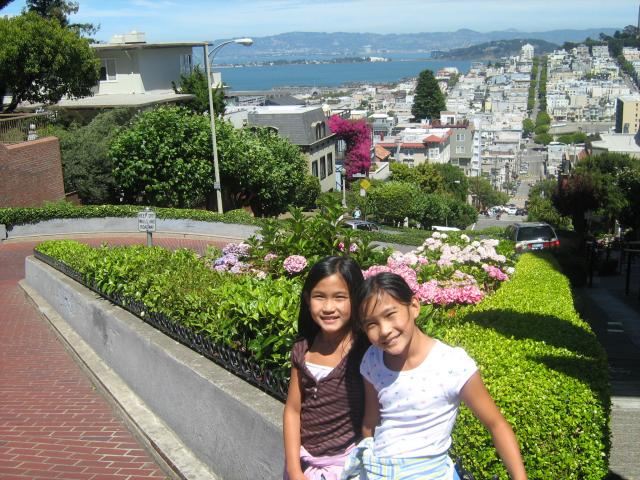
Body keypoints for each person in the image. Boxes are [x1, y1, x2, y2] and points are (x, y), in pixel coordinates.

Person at [343, 272, 527, 480]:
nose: (384, 330)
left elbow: (496, 424)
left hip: (430, 472)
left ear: (414, 306)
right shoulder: (373, 359)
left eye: (390, 314)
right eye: (371, 324)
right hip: (380, 469)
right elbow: (370, 422)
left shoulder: (452, 364)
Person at [283, 256, 369, 480]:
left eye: (340, 297)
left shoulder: (365, 352)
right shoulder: (303, 348)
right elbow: (293, 410)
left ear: (357, 299)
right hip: (304, 465)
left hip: (347, 467)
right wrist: (294, 470)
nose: (329, 307)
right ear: (307, 299)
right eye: (319, 297)